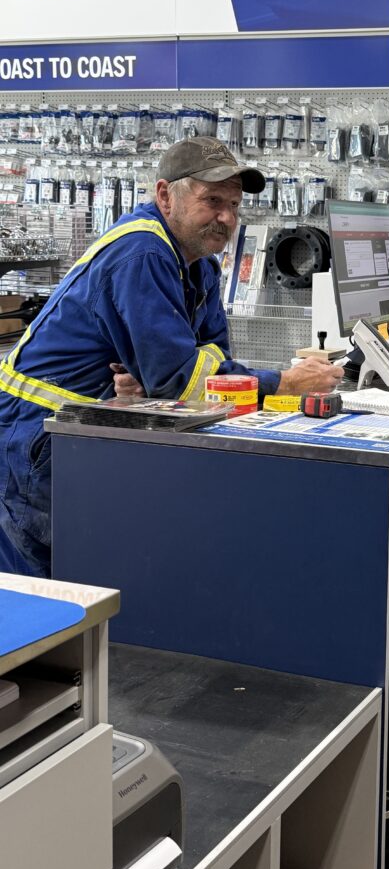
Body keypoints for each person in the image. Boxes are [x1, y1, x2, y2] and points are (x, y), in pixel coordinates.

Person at [0, 138, 343, 578]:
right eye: (213, 201)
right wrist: (285, 384)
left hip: (83, 432)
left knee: (87, 593)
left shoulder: (198, 262)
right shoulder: (142, 252)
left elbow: (211, 359)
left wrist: (157, 382)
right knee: (43, 606)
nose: (226, 217)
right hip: (37, 436)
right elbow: (186, 381)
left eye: (235, 206)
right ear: (165, 195)